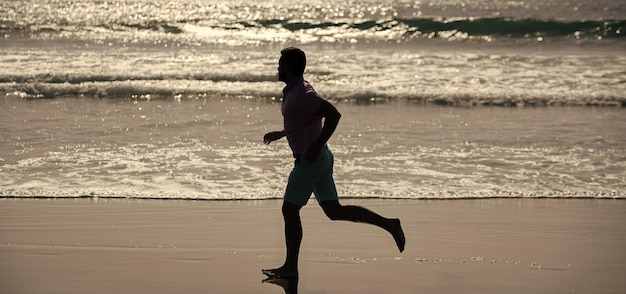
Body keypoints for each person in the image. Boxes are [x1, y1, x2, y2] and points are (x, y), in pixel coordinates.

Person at [262, 47, 406, 279]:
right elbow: (304, 120)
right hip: (320, 159)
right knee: (334, 211)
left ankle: (291, 267)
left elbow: (333, 115)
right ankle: (389, 224)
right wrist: (283, 133)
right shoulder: (295, 90)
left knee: (289, 210)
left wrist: (316, 145)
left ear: (288, 67)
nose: (278, 67)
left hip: (311, 161)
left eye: (280, 63)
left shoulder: (303, 94)